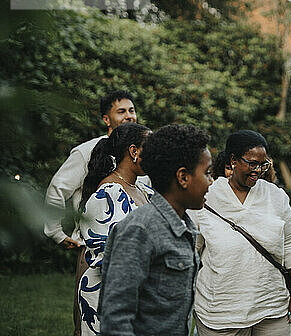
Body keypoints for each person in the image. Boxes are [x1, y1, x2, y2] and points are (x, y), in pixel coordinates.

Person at [99, 124, 213, 336]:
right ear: (183, 177)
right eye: (207, 173)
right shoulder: (139, 230)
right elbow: (116, 317)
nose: (211, 182)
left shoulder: (185, 226)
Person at [191, 130, 291, 336]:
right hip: (220, 311)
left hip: (271, 306)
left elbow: (290, 241)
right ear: (233, 160)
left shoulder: (275, 196)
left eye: (263, 165)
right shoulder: (207, 195)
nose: (258, 171)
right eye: (252, 163)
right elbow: (190, 250)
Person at [43, 90, 138, 336]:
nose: (129, 116)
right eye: (121, 111)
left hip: (133, 256)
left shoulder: (141, 154)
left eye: (131, 110)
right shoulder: (86, 151)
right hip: (94, 252)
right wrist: (55, 232)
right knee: (87, 324)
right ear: (106, 119)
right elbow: (57, 188)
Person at [77, 122, 152, 336]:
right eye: (152, 148)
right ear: (133, 151)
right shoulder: (107, 194)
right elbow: (105, 256)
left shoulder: (143, 190)